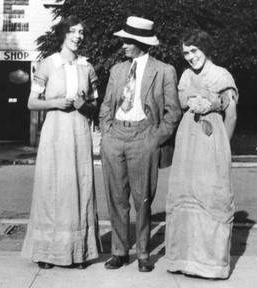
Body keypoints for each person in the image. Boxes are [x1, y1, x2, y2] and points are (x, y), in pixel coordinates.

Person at [99, 16, 182, 273]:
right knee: (116, 198)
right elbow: (106, 105)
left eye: (126, 41)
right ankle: (120, 252)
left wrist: (155, 140)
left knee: (142, 199)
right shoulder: (117, 70)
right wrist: (106, 132)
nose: (122, 45)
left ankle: (144, 253)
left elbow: (173, 111)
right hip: (115, 138)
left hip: (145, 137)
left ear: (139, 42)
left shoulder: (164, 70)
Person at [21, 16, 101, 270]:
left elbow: (95, 105)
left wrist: (84, 105)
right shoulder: (48, 64)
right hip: (55, 134)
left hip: (79, 133)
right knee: (53, 190)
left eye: (82, 32)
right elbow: (32, 103)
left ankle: (79, 253)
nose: (78, 36)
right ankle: (47, 252)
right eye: (73, 32)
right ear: (64, 35)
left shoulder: (88, 67)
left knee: (79, 186)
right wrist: (55, 103)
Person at [165, 29, 239, 279]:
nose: (190, 57)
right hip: (187, 143)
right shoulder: (185, 76)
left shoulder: (221, 75)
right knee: (185, 192)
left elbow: (232, 116)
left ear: (205, 49)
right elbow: (178, 105)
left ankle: (210, 264)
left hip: (211, 143)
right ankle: (184, 261)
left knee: (210, 194)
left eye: (194, 51)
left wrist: (223, 148)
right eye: (186, 52)